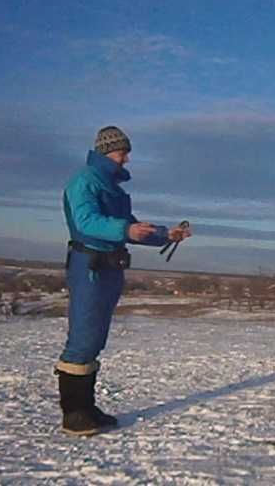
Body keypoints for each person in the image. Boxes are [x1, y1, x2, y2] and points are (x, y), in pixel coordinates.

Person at [55, 125, 191, 436]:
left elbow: (131, 227)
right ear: (106, 153)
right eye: (122, 153)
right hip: (89, 265)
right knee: (83, 337)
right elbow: (86, 222)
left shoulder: (111, 187)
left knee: (95, 338)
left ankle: (87, 408)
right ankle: (73, 413)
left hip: (109, 267)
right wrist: (126, 230)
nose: (126, 159)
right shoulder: (84, 182)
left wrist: (166, 235)